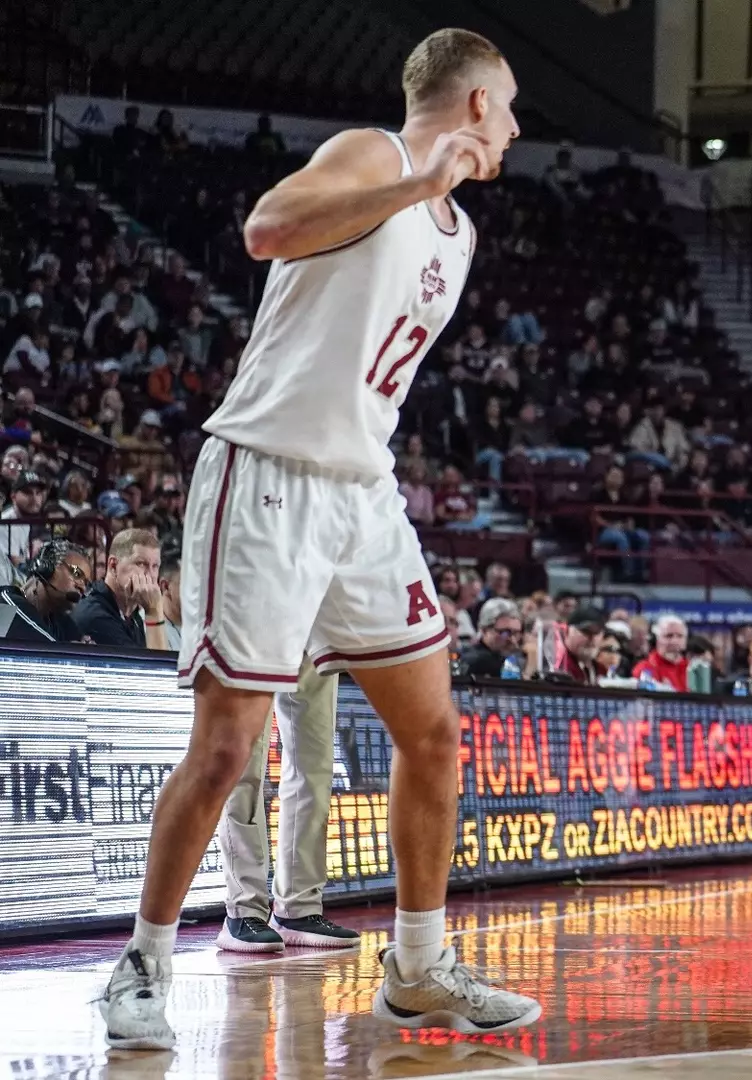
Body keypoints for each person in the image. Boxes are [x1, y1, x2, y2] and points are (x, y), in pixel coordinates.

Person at [99, 29, 540, 1052]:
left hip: (363, 492)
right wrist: (411, 180)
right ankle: (142, 964)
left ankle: (419, 967)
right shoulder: (375, 154)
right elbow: (266, 228)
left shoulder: (459, 231)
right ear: (472, 102)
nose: (517, 127)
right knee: (225, 749)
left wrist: (432, 192)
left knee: (432, 729)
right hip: (266, 476)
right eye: (509, 105)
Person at [215, 660, 362, 953]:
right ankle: (243, 910)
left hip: (315, 621)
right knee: (244, 760)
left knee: (315, 763)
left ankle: (299, 907)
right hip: (251, 620)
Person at [71, 528, 168, 650]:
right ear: (113, 566)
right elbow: (155, 667)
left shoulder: (131, 614)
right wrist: (154, 611)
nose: (150, 575)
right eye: (141, 564)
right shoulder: (95, 616)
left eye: (155, 566)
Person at [0, 538, 89, 642]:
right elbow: (51, 653)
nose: (82, 588)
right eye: (77, 574)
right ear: (46, 567)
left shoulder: (59, 620)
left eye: (86, 583)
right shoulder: (5, 605)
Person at [458, 597, 525, 679]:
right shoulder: (475, 661)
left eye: (516, 633)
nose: (513, 640)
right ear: (484, 630)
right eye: (505, 633)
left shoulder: (511, 659)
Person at [632, 613, 690, 691]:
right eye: (669, 636)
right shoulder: (644, 668)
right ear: (656, 639)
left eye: (680, 636)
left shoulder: (692, 669)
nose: (675, 641)